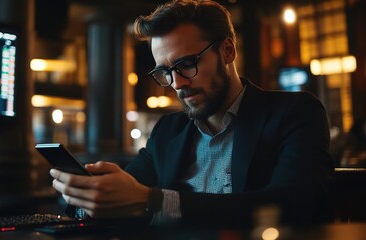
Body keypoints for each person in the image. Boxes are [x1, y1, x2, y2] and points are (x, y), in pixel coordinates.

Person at [50, 0, 333, 228]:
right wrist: (91, 193)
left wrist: (156, 201)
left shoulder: (295, 113)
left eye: (186, 64)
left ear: (228, 50)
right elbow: (127, 194)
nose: (177, 83)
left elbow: (293, 205)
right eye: (165, 72)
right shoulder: (167, 132)